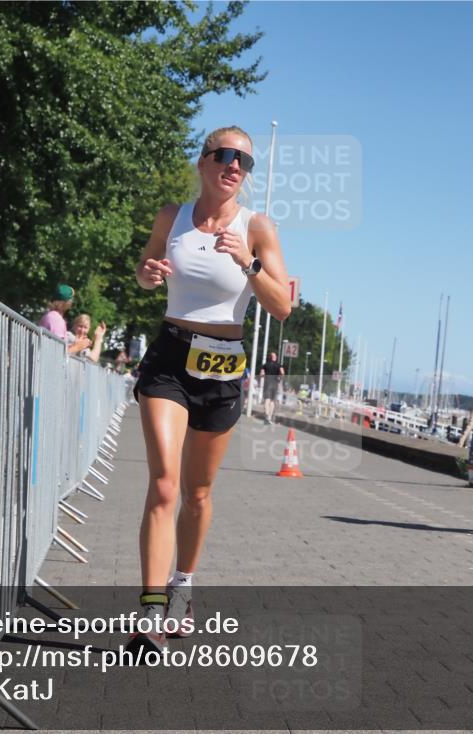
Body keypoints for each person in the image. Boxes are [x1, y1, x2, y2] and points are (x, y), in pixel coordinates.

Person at [130, 125, 291, 651]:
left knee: (197, 495)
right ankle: (151, 611)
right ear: (202, 162)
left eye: (244, 161)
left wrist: (248, 261)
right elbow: (145, 273)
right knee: (165, 486)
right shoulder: (170, 217)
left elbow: (282, 306)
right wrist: (149, 274)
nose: (234, 166)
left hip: (224, 367)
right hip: (171, 359)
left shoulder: (257, 227)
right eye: (224, 155)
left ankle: (184, 585)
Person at [38, 284, 80, 353]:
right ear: (67, 303)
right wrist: (78, 347)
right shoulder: (56, 319)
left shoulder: (51, 316)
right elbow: (57, 351)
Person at [259, 351, 285, 424]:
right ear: (275, 358)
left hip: (267, 384)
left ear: (269, 357)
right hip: (275, 384)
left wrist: (263, 376)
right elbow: (282, 373)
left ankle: (266, 416)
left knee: (267, 400)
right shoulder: (279, 365)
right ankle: (269, 417)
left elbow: (261, 374)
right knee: (272, 401)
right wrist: (279, 379)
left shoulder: (265, 365)